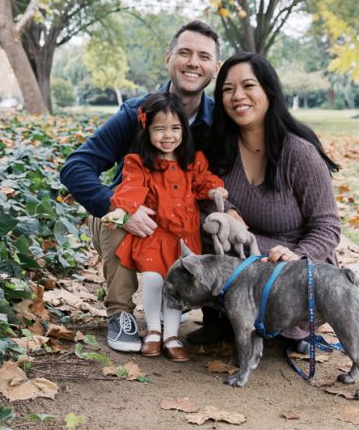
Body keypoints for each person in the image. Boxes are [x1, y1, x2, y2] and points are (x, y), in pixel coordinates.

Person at [59, 21, 220, 352]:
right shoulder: (137, 112)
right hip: (134, 215)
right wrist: (116, 206)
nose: (193, 63)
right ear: (168, 58)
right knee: (120, 219)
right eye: (185, 53)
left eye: (204, 56)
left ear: (215, 68)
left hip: (183, 217)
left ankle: (213, 315)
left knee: (217, 225)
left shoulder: (219, 123)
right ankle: (120, 314)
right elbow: (75, 167)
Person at [194, 51, 341, 347]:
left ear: (269, 91)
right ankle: (221, 319)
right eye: (227, 89)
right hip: (244, 250)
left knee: (278, 269)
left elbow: (327, 227)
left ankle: (290, 327)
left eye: (248, 86)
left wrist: (296, 255)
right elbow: (200, 192)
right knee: (202, 229)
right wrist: (227, 211)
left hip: (292, 258)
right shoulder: (216, 147)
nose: (238, 96)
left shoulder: (299, 153)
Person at [102, 93, 226, 361]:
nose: (168, 135)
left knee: (176, 284)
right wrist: (124, 209)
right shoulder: (139, 163)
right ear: (147, 130)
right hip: (154, 236)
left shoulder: (192, 161)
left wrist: (214, 189)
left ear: (184, 130)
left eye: (175, 128)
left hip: (184, 238)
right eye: (159, 129)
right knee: (153, 279)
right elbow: (131, 188)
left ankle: (171, 335)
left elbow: (203, 181)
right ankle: (153, 331)